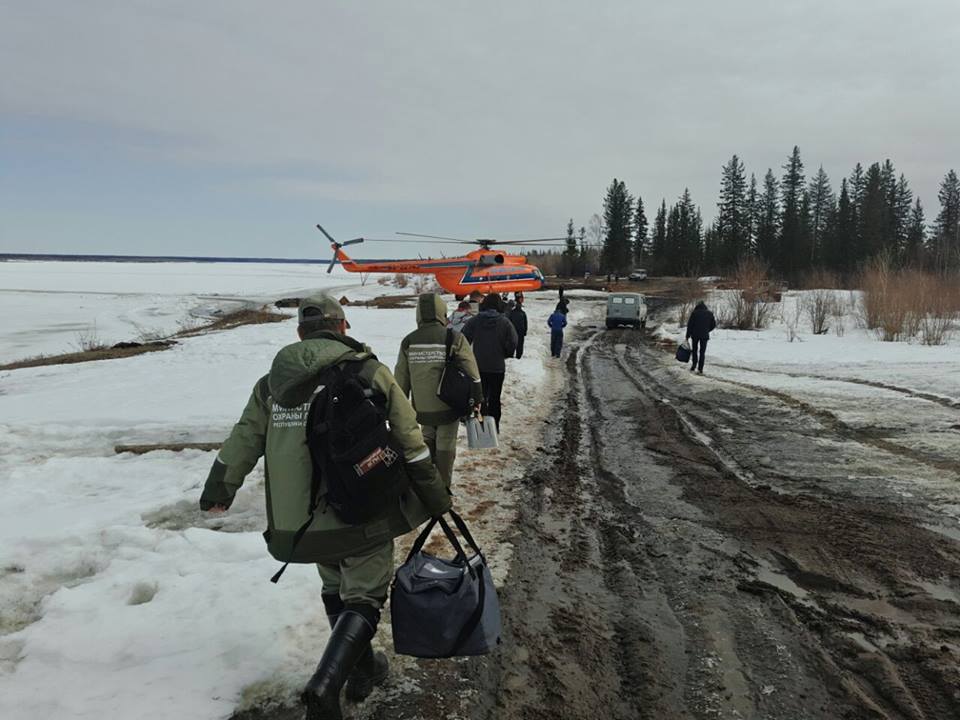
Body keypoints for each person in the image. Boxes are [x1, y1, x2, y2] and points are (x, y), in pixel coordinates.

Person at [199, 295, 450, 720]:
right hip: (363, 513)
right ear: (343, 327)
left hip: (301, 525)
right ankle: (325, 685)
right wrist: (436, 496)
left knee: (335, 585)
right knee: (364, 596)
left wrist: (219, 490)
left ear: (300, 334)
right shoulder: (369, 372)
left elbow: (243, 440)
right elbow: (410, 440)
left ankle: (364, 668)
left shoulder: (270, 386)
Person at [395, 293, 483, 488]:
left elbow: (401, 379)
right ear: (442, 312)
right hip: (449, 404)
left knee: (427, 438)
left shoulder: (409, 341)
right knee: (445, 443)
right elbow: (472, 370)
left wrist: (398, 409)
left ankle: (426, 483)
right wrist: (477, 397)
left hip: (422, 409)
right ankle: (442, 487)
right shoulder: (454, 337)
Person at [462, 293, 518, 432]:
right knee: (495, 398)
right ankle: (494, 427)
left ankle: (482, 426)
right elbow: (513, 341)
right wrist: (506, 353)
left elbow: (462, 339)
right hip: (497, 367)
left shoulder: (475, 321)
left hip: (478, 366)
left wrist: (466, 356)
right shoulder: (504, 322)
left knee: (480, 398)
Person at [686, 300, 717, 374]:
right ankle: (700, 368)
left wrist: (687, 335)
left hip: (695, 335)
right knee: (702, 352)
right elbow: (713, 325)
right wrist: (707, 330)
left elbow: (690, 325)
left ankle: (694, 365)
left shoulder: (694, 313)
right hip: (704, 335)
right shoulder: (709, 313)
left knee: (694, 350)